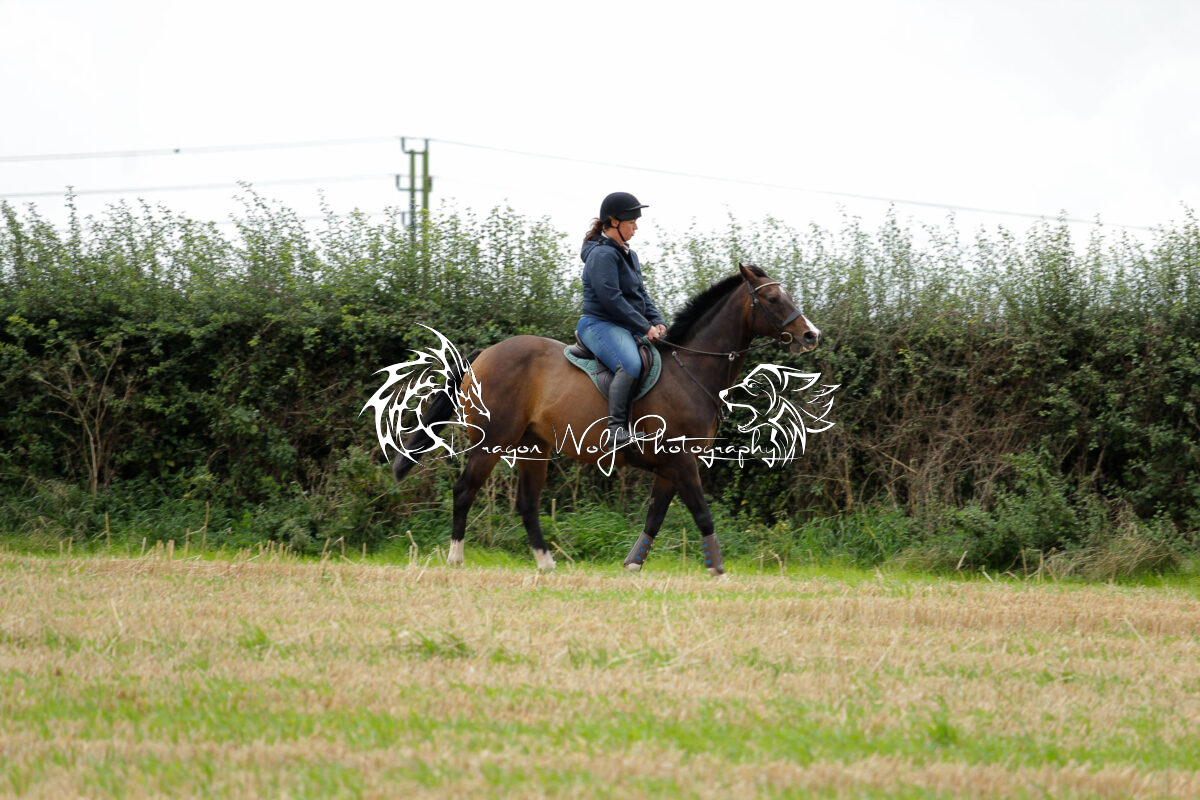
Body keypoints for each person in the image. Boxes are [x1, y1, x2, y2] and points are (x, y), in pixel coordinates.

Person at [577, 191, 668, 449]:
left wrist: (658, 321)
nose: (636, 228)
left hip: (624, 324)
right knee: (630, 363)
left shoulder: (629, 254)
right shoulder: (602, 255)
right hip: (598, 323)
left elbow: (641, 294)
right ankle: (616, 430)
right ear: (614, 222)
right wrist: (644, 326)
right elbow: (612, 299)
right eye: (632, 222)